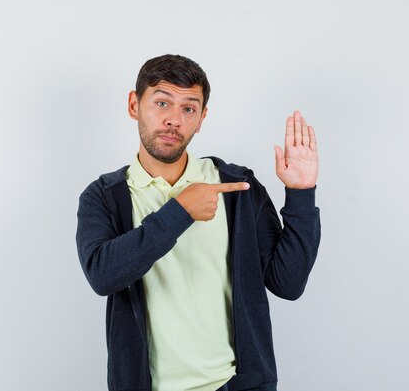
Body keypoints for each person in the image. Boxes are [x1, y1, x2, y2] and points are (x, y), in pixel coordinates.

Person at [76, 54, 321, 391]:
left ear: (202, 117)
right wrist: (180, 210)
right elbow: (103, 276)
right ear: (134, 105)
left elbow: (287, 283)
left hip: (236, 384)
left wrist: (301, 193)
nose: (174, 120)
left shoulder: (235, 186)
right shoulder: (104, 196)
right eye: (162, 103)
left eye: (188, 108)